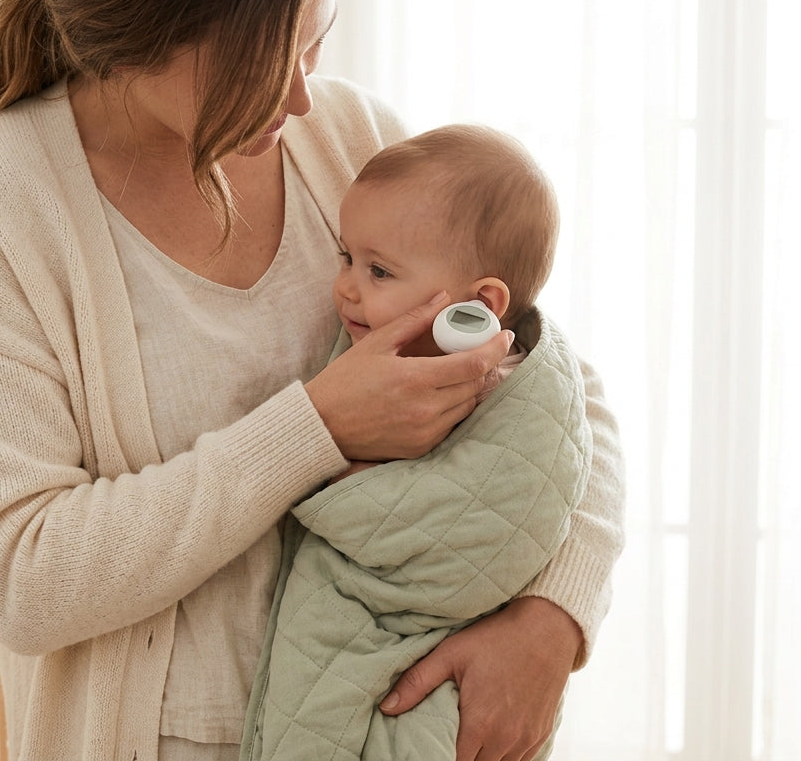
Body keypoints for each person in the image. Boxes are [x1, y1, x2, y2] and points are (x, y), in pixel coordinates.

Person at [0, 0, 626, 759]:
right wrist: (316, 428)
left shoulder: (354, 142)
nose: (302, 95)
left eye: (314, 47)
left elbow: (561, 396)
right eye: (270, 63)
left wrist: (554, 618)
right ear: (145, 30)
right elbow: (21, 581)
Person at [240, 125, 592, 761]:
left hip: (436, 656)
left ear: (483, 305)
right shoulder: (389, 352)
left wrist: (335, 480)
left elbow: (505, 502)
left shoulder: (499, 388)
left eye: (378, 271)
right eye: (345, 257)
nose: (346, 287)